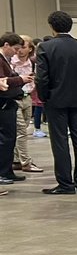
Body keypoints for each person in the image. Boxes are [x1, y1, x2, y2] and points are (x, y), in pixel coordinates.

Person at [35, 11, 77, 195]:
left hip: (55, 100)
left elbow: (42, 78)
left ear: (52, 27)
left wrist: (45, 97)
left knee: (60, 140)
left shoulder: (45, 48)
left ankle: (65, 183)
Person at [9, 36, 41, 172]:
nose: (20, 50)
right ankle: (25, 161)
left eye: (24, 47)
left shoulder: (33, 63)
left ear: (30, 49)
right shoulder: (10, 61)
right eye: (18, 47)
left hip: (28, 98)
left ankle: (16, 159)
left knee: (23, 129)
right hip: (13, 98)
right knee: (21, 130)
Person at [0, 34, 24, 189]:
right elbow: (2, 82)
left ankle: (7, 171)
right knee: (4, 140)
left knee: (10, 139)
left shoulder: (5, 60)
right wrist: (21, 79)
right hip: (3, 104)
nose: (16, 52)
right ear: (6, 45)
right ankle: (2, 172)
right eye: (15, 49)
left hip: (9, 103)